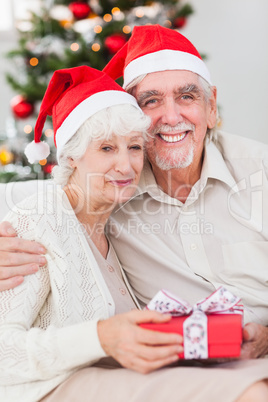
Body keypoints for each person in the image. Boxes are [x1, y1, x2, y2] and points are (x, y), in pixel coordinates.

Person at [0, 25, 268, 401]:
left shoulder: (259, 172)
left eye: (187, 96)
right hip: (104, 377)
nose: (171, 117)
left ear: (211, 107)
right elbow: (42, 202)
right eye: (151, 101)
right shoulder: (97, 195)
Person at [0, 65, 185, 401]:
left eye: (134, 148)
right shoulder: (41, 218)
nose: (126, 167)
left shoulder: (115, 222)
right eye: (106, 149)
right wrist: (100, 336)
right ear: (71, 154)